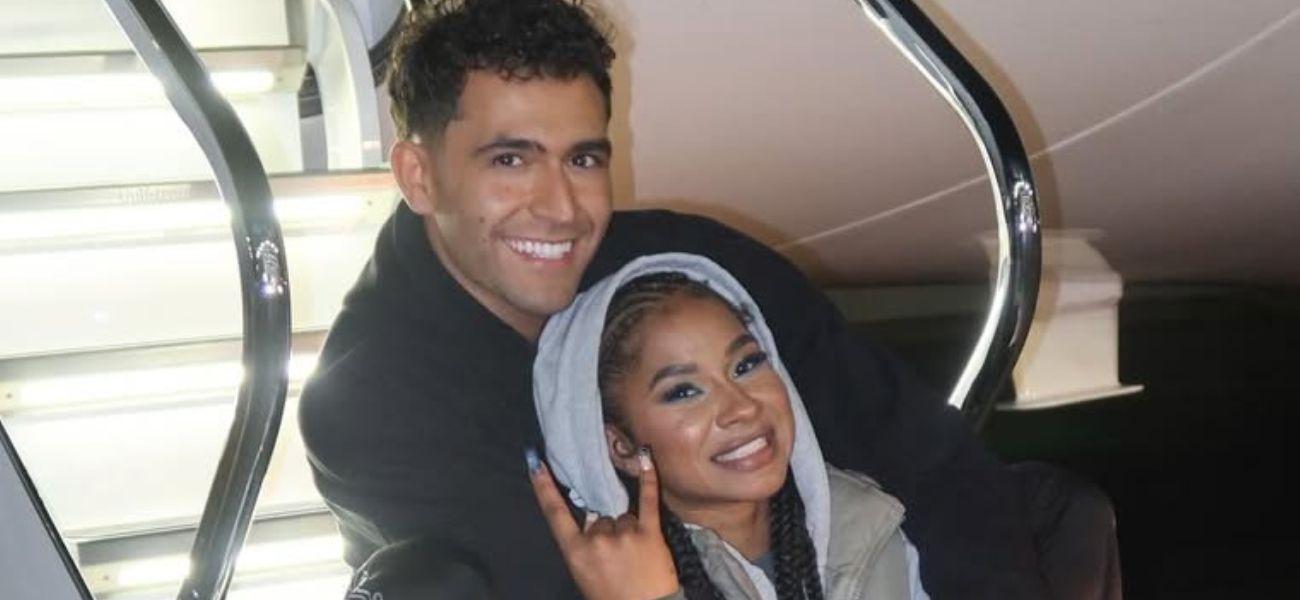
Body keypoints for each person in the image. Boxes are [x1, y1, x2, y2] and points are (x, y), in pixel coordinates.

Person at [302, 1, 1119, 598]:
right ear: (418, 175)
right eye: (510, 161)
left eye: (583, 160)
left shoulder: (690, 264)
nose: (560, 208)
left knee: (1050, 515)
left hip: (787, 565)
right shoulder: (372, 406)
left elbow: (921, 450)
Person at [529, 254, 929, 599]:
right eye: (684, 391)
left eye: (746, 365)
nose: (742, 407)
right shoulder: (591, 582)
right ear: (620, 446)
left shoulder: (865, 528)